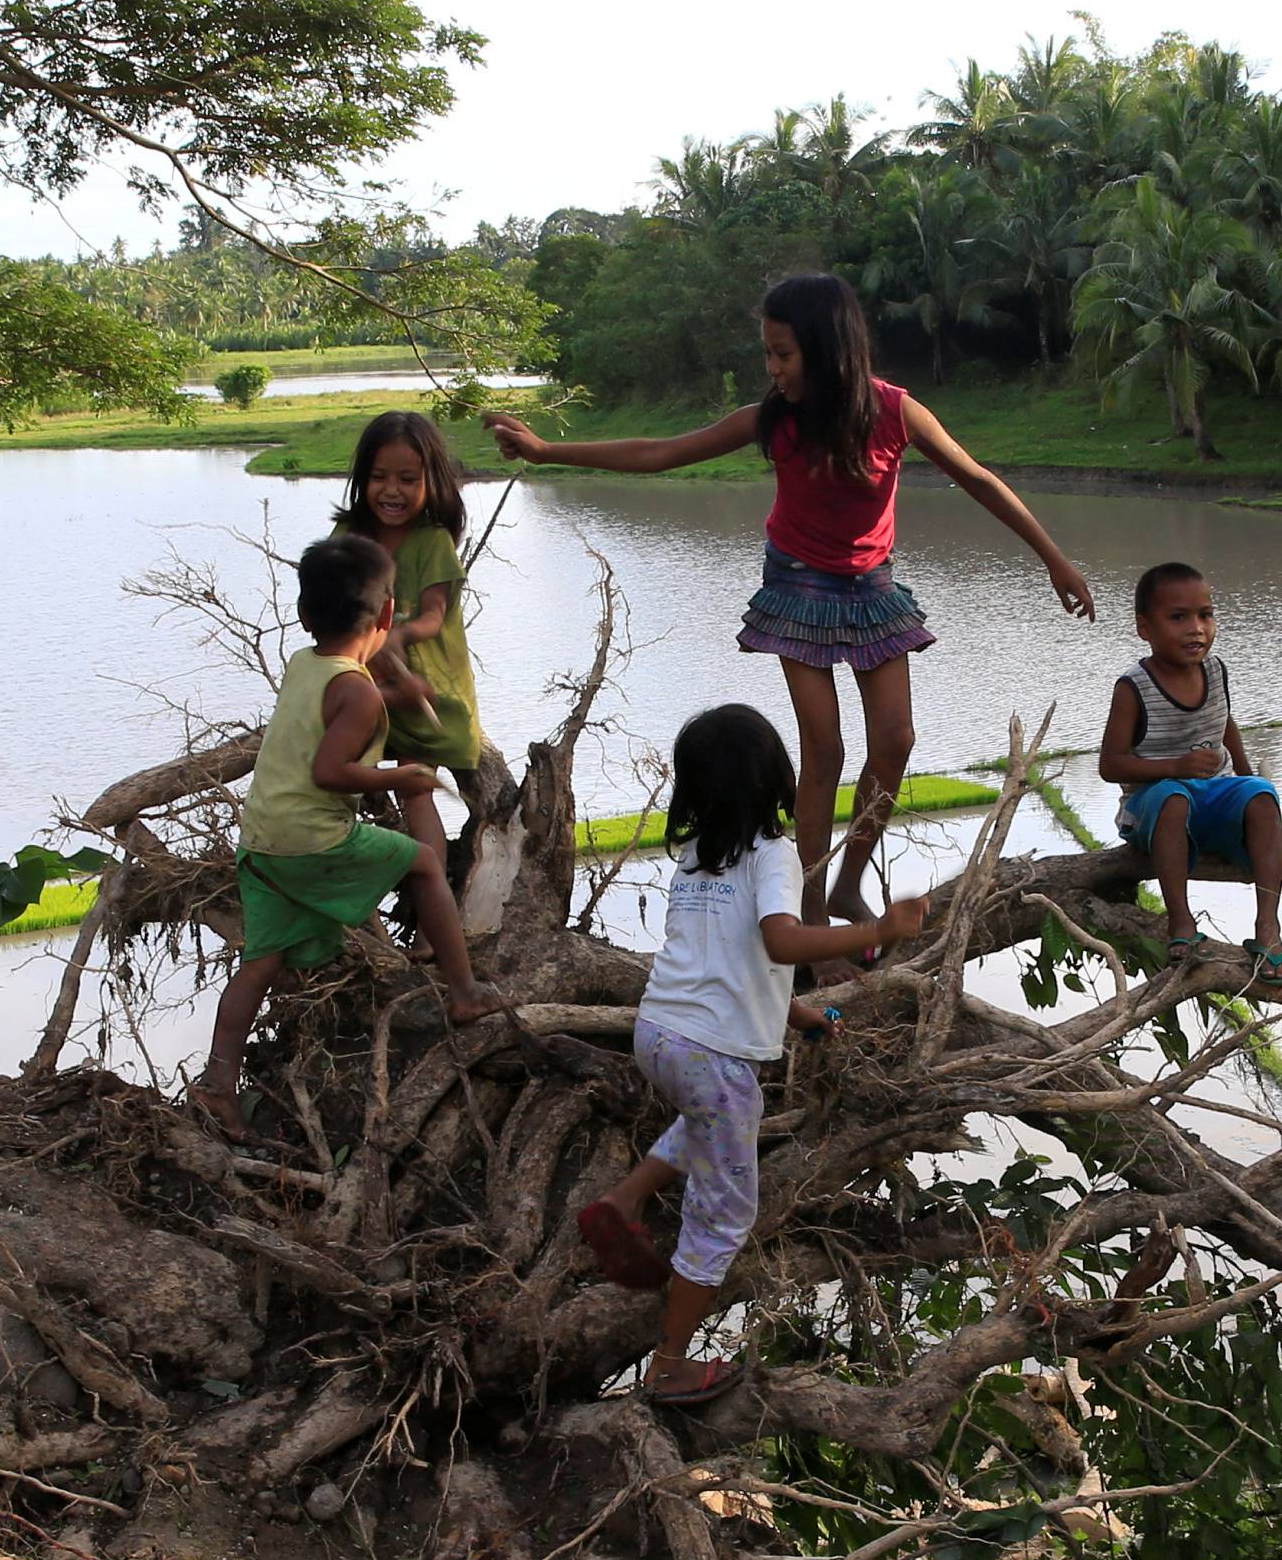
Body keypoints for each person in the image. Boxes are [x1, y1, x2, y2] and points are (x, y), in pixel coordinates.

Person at [486, 274, 1094, 951]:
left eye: (784, 355)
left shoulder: (896, 412)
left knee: (897, 739)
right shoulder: (772, 418)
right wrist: (547, 451)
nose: (773, 370)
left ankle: (847, 879)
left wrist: (1054, 558)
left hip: (872, 586)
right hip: (798, 586)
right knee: (825, 747)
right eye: (768, 355)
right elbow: (660, 453)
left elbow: (978, 479)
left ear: (830, 351)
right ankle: (810, 911)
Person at [575, 705, 926, 1406]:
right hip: (710, 1051)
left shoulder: (696, 855)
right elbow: (779, 943)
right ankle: (670, 1363)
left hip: (660, 1033)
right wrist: (879, 928)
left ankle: (626, 1197)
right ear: (778, 781)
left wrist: (796, 1015)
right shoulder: (773, 853)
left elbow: (723, 964)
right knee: (727, 1214)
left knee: (709, 1116)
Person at [191, 536, 504, 1142]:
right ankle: (464, 992)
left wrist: (395, 693)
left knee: (258, 966)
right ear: (388, 617)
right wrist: (401, 775)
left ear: (304, 616)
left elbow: (342, 702)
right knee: (422, 865)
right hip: (314, 841)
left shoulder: (306, 664)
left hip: (261, 844)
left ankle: (217, 1090)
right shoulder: (356, 691)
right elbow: (330, 772)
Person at [1099, 562, 1282, 975]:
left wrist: (1247, 779)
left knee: (1263, 796)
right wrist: (1175, 765)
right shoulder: (1134, 687)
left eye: (1206, 615)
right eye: (1178, 617)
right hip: (1153, 802)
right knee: (1174, 796)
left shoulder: (1215, 671)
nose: (1197, 628)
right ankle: (1180, 920)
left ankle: (1268, 924)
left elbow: (1224, 723)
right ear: (1145, 628)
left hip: (1212, 794)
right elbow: (1110, 765)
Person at [334, 410, 482, 876]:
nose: (391, 490)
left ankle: (429, 916)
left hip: (421, 693)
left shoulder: (433, 542)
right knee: (338, 789)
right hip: (363, 690)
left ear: (430, 482)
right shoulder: (349, 537)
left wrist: (397, 633)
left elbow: (434, 617)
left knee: (416, 793)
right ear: (363, 479)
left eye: (406, 479)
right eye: (379, 477)